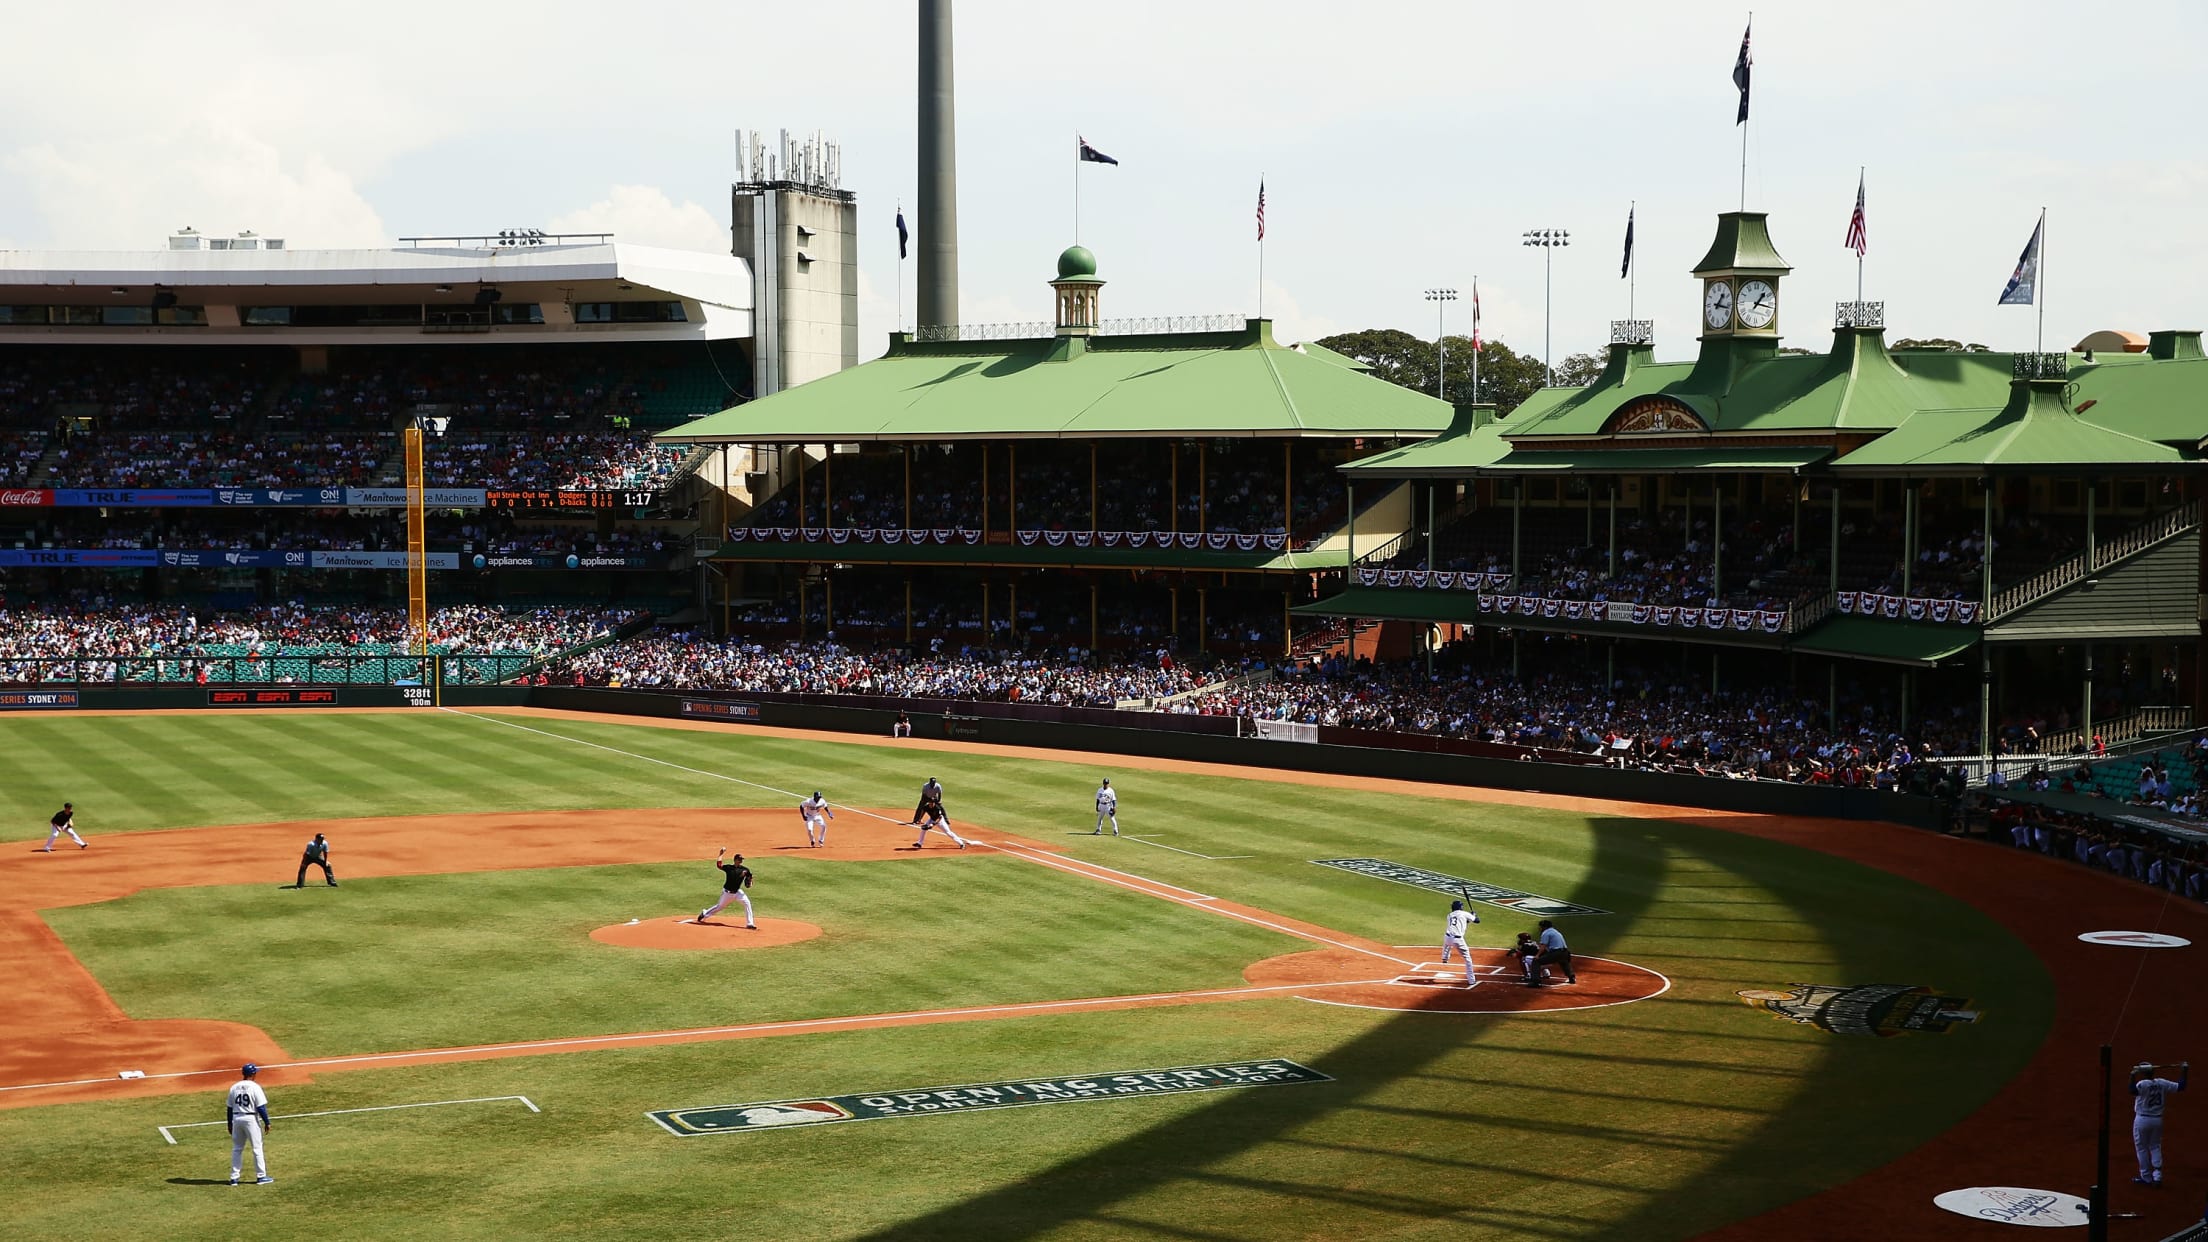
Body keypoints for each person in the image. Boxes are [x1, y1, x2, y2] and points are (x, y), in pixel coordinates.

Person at [2133, 1060, 2190, 1186]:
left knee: (2141, 1148)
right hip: (2157, 1120)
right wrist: (2185, 1071)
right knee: (2155, 1145)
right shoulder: (2162, 1082)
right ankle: (2157, 1176)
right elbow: (2181, 1086)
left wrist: (2132, 1076)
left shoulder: (2142, 1084)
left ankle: (2146, 1177)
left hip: (2142, 1120)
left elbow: (2132, 1090)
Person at [226, 1063, 273, 1185]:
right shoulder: (255, 1087)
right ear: (253, 1074)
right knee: (257, 1148)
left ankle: (234, 1178)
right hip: (250, 1119)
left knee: (237, 1149)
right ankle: (261, 1176)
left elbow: (229, 1108)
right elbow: (261, 1107)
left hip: (236, 1119)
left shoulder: (234, 1087)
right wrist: (267, 1122)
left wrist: (229, 1124)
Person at [698, 849, 755, 929]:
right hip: (727, 893)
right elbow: (719, 865)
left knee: (747, 903)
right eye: (739, 860)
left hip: (738, 892)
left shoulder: (745, 870)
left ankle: (750, 923)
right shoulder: (729, 868)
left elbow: (749, 877)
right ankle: (705, 913)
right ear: (735, 860)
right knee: (719, 907)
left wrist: (750, 881)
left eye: (741, 860)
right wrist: (721, 854)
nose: (741, 861)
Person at [1437, 900, 1479, 989]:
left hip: (1447, 938)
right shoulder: (1464, 913)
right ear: (1461, 907)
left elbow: (1462, 922)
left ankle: (1445, 957)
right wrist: (1473, 916)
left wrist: (1470, 917)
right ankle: (1471, 980)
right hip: (1458, 940)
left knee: (1447, 944)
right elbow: (1477, 921)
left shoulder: (1449, 915)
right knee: (1468, 959)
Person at [1531, 919, 1576, 985]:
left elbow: (1543, 946)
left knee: (1536, 961)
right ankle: (1571, 977)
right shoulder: (1556, 931)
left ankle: (1536, 982)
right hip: (1565, 953)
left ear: (1544, 927)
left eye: (1540, 926)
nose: (1540, 928)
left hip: (1556, 953)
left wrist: (1537, 955)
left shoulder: (1546, 933)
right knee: (1564, 962)